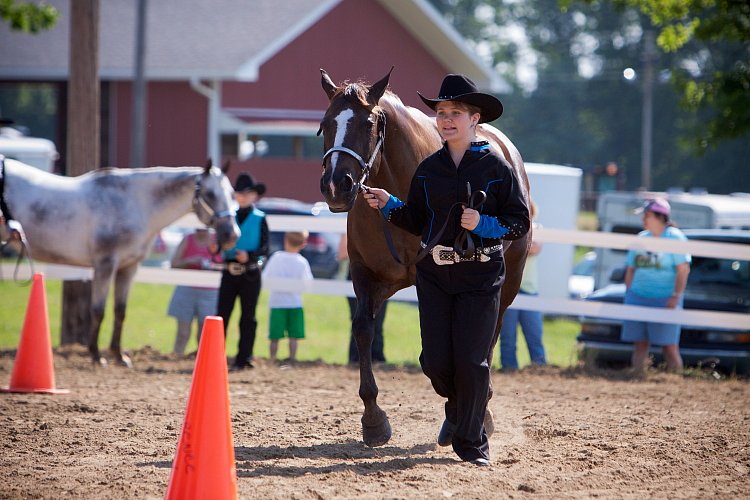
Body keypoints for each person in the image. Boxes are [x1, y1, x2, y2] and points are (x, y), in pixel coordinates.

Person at [362, 74, 530, 466]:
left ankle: (472, 445)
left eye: (456, 112)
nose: (447, 119)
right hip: (435, 276)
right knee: (435, 362)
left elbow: (519, 223)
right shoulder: (428, 170)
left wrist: (484, 225)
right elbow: (418, 220)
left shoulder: (497, 167)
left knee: (472, 361)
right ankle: (458, 408)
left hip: (481, 275)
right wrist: (388, 204)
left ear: (476, 120)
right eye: (441, 112)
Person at [622, 198, 690, 374]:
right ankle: (637, 376)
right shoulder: (641, 238)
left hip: (665, 299)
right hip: (638, 296)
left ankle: (676, 380)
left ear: (660, 216)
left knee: (669, 346)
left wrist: (675, 296)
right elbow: (631, 269)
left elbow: (683, 270)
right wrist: (629, 293)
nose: (643, 219)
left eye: (647, 215)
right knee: (640, 344)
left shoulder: (674, 237)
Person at [217, 172, 269, 370]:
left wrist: (250, 256)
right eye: (239, 193)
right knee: (222, 315)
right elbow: (221, 240)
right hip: (229, 271)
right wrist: (218, 248)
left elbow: (265, 248)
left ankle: (244, 357)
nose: (243, 197)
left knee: (248, 317)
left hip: (250, 273)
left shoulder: (260, 218)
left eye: (247, 193)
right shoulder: (228, 217)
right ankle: (216, 355)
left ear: (255, 195)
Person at [498, 198, 546, 371]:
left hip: (529, 289)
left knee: (534, 333)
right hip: (510, 288)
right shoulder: (511, 227)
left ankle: (539, 366)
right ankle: (509, 367)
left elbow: (534, 249)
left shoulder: (537, 228)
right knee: (508, 335)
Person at [167, 227, 222, 355]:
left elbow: (224, 265)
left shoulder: (217, 240)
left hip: (210, 291)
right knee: (183, 331)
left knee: (204, 332)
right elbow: (174, 263)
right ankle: (177, 356)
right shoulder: (188, 239)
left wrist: (210, 265)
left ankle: (202, 358)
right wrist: (190, 261)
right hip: (187, 289)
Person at [262, 231, 314, 363]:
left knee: (274, 336)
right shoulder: (302, 261)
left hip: (276, 302)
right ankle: (292, 358)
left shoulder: (276, 257)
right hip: (295, 303)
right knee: (293, 336)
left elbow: (265, 277)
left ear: (285, 240)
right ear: (303, 244)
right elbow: (308, 283)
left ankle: (272, 358)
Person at [337, 233, 387, 364]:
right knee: (372, 320)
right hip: (375, 274)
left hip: (367, 274)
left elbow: (342, 254)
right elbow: (342, 253)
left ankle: (360, 357)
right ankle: (373, 357)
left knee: (361, 318)